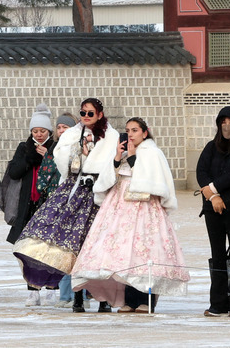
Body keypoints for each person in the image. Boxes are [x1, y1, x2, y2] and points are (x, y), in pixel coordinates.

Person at [71, 116, 190, 312]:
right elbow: (107, 179)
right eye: (128, 130)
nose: (131, 134)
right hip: (120, 206)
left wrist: (133, 156)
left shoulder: (152, 152)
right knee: (122, 251)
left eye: (135, 130)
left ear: (145, 132)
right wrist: (118, 158)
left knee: (144, 251)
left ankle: (145, 299)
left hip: (145, 208)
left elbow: (152, 180)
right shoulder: (121, 151)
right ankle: (127, 300)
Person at [13, 97, 118, 313]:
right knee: (73, 244)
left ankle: (103, 298)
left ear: (99, 114)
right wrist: (79, 154)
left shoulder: (110, 136)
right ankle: (77, 295)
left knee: (99, 246)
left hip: (101, 192)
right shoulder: (73, 134)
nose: (86, 117)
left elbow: (113, 163)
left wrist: (96, 168)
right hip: (75, 191)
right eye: (83, 113)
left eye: (90, 113)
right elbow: (61, 160)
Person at [195, 105, 230, 317]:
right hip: (212, 209)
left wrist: (214, 189)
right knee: (217, 255)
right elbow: (201, 171)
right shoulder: (211, 147)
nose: (227, 126)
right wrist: (213, 197)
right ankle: (217, 303)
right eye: (223, 122)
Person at [5, 104, 61, 307]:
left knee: (50, 249)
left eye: (42, 131)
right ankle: (32, 290)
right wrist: (31, 158)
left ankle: (52, 290)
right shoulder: (24, 147)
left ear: (49, 131)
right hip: (28, 207)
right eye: (35, 131)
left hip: (50, 206)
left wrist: (48, 157)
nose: (38, 135)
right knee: (28, 251)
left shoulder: (56, 147)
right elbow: (14, 172)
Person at [51, 111, 78, 308]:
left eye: (65, 128)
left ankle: (81, 293)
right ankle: (64, 294)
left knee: (78, 248)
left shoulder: (80, 146)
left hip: (79, 199)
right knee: (63, 248)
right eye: (59, 128)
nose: (61, 131)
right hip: (61, 201)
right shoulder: (55, 149)